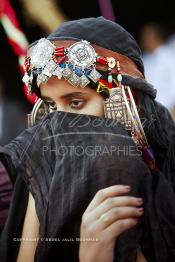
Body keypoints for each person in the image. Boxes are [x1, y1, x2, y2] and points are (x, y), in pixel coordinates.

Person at [0, 17, 175, 262]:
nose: (58, 124)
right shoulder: (42, 175)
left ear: (125, 101)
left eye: (76, 103)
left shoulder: (164, 188)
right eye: (51, 106)